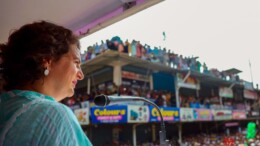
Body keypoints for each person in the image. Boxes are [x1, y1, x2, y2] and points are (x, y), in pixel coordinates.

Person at [0, 21, 92, 146]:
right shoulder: (53, 114)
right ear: (47, 60)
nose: (81, 75)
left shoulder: (6, 107)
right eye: (76, 63)